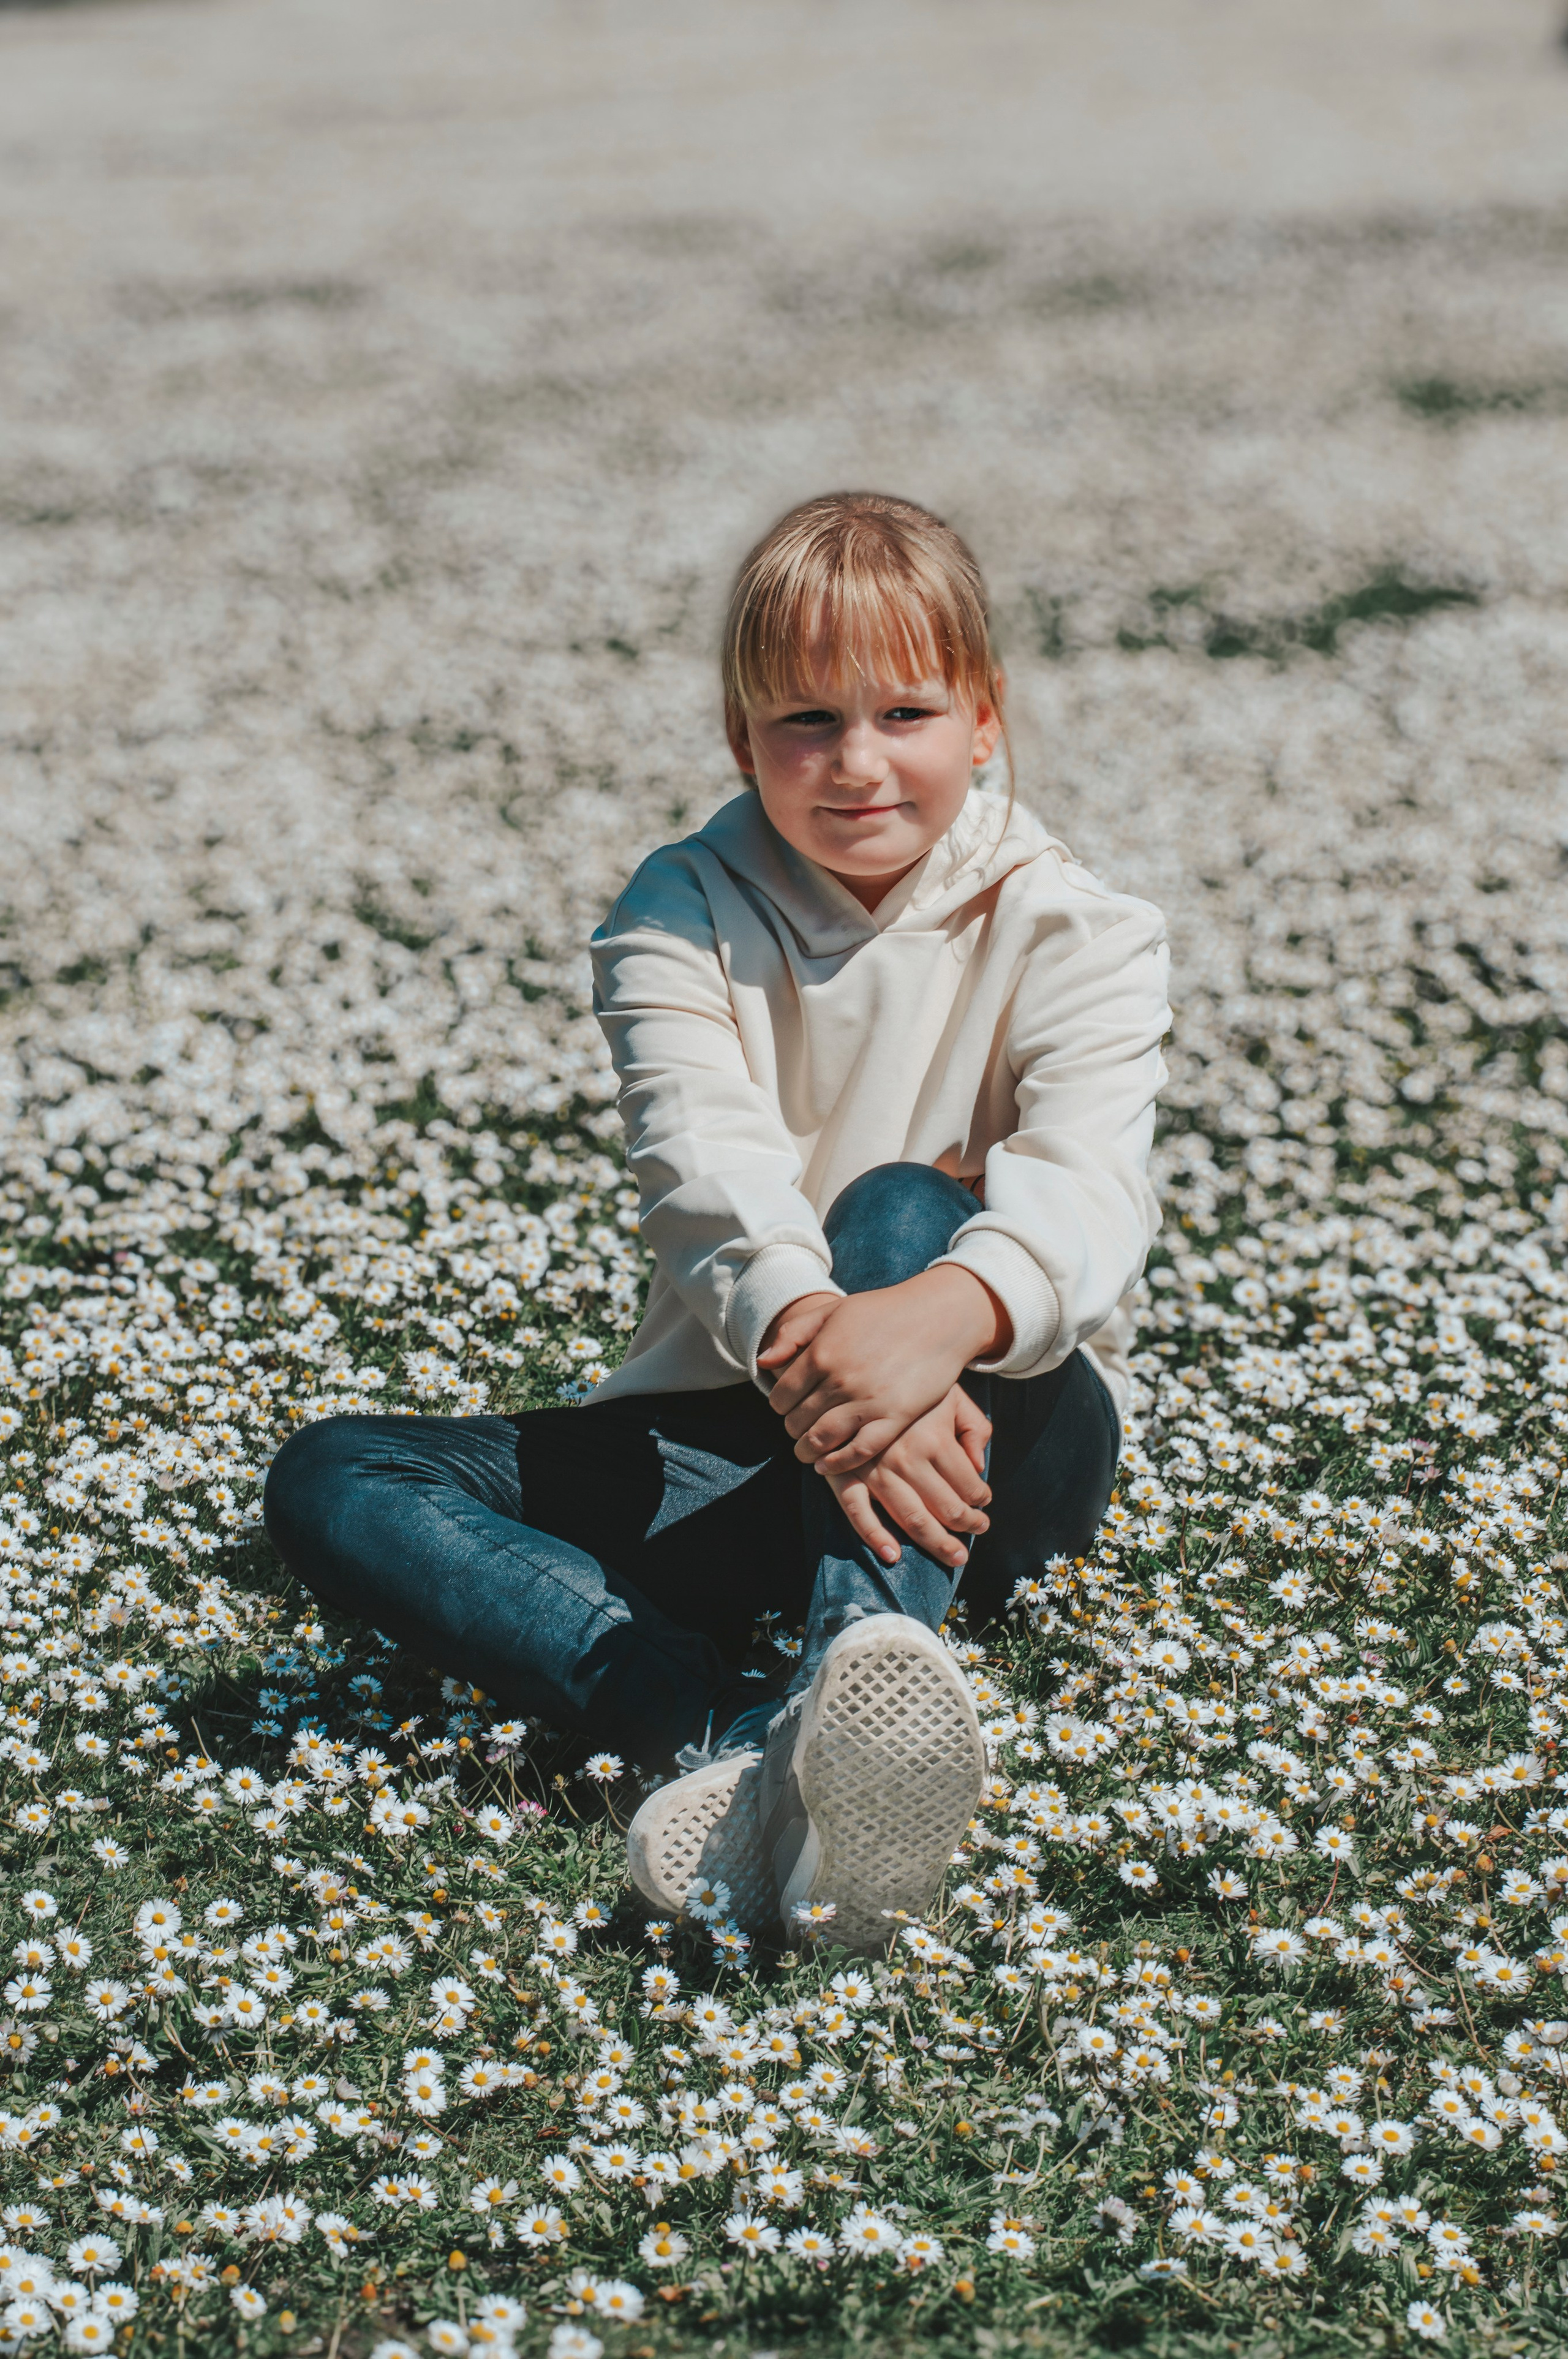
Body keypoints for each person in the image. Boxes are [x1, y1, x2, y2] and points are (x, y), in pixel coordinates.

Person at [264, 491, 1170, 1954]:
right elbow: (706, 1169)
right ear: (739, 740)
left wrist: (927, 1326)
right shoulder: (674, 915)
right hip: (743, 1433)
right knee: (334, 1472)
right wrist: (826, 1355)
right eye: (805, 720)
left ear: (985, 721)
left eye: (905, 711)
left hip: (999, 1452)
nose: (856, 762)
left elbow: (1087, 1190)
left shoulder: (1083, 930)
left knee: (895, 1209)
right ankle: (720, 1732)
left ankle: (840, 1671)